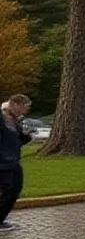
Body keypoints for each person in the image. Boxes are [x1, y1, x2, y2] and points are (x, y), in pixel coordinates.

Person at [0, 94, 33, 232]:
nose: (24, 112)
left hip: (13, 160)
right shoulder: (3, 119)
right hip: (3, 161)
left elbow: (16, 140)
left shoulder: (14, 121)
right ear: (14, 104)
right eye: (22, 107)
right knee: (8, 189)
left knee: (15, 188)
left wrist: (27, 136)